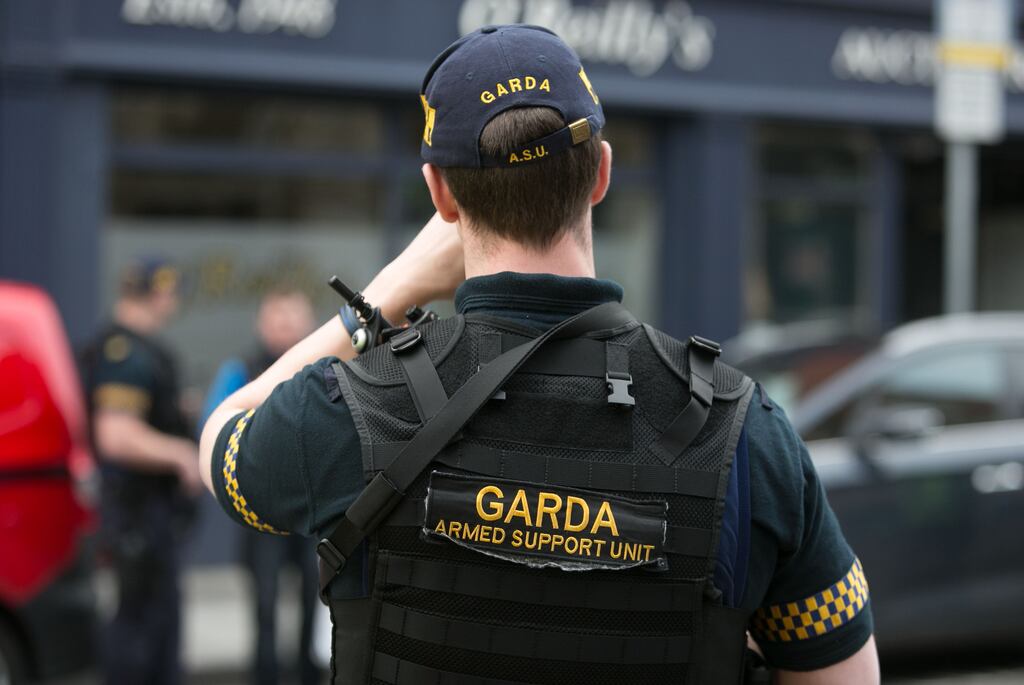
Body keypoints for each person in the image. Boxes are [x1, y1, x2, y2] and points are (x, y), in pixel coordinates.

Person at [200, 25, 880, 685]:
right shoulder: (746, 434)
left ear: (440, 194)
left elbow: (222, 433)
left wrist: (388, 291)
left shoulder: (351, 410)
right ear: (601, 173)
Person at [81, 258, 200, 685]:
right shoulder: (126, 353)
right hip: (137, 514)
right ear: (159, 293)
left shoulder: (137, 349)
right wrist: (180, 454)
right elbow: (115, 435)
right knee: (140, 630)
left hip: (147, 514)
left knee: (156, 624)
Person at [201, 287, 322, 685]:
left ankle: (307, 673)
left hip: (312, 509)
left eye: (293, 315)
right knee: (264, 600)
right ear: (261, 323)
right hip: (260, 511)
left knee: (314, 597)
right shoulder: (240, 370)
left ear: (309, 322)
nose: (285, 324)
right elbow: (213, 426)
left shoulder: (324, 367)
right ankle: (264, 674)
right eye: (277, 315)